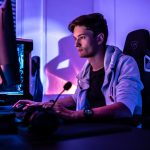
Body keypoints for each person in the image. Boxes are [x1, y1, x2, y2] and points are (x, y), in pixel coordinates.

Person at [13, 13, 143, 121]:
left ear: (99, 39)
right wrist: (42, 105)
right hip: (93, 130)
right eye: (75, 38)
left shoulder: (125, 64)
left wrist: (74, 114)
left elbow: (124, 109)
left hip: (118, 132)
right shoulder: (85, 71)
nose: (76, 44)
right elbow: (76, 98)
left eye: (82, 37)